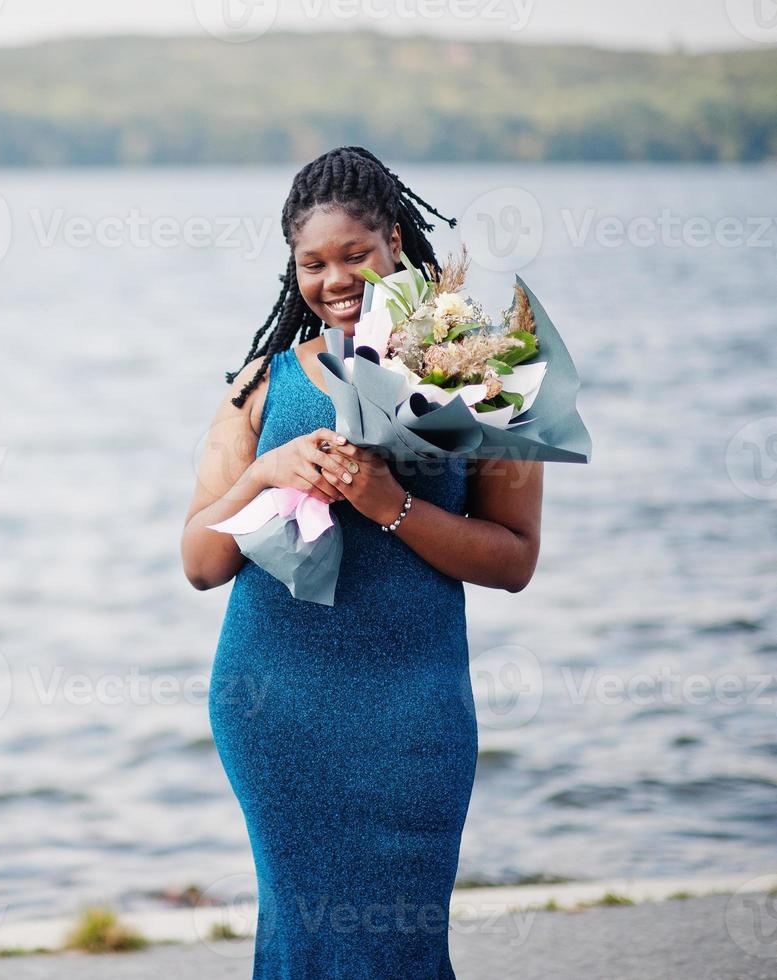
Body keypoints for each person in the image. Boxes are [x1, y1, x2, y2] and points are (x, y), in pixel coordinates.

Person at [179, 146, 543, 978]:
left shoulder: (479, 373)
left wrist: (394, 506)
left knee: (402, 944)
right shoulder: (258, 388)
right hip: (278, 704)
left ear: (397, 242)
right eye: (312, 263)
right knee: (302, 941)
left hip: (414, 708)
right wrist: (267, 471)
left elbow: (514, 560)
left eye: (354, 255)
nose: (334, 279)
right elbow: (199, 563)